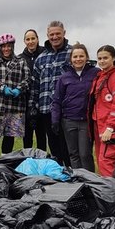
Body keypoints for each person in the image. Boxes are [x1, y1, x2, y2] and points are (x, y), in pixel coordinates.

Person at [51, 43, 99, 170]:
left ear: (87, 57)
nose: (78, 59)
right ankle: (78, 181)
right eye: (75, 56)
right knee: (73, 154)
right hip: (68, 121)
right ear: (71, 59)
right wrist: (55, 120)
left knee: (85, 154)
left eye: (81, 56)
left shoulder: (95, 73)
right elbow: (57, 100)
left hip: (85, 121)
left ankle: (90, 181)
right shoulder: (64, 77)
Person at [30, 21, 72, 165]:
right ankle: (58, 179)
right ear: (47, 35)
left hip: (67, 111)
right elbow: (35, 85)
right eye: (51, 34)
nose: (54, 37)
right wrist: (33, 107)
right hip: (46, 109)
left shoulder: (72, 54)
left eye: (57, 34)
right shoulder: (41, 58)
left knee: (68, 149)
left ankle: (72, 177)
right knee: (54, 149)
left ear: (64, 33)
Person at [0, 34, 30, 155]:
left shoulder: (21, 62)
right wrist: (2, 87)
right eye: (3, 47)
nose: (6, 49)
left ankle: (5, 164)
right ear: (0, 48)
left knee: (9, 139)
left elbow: (28, 78)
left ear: (12, 47)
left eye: (9, 46)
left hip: (14, 106)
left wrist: (19, 89)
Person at [89, 44, 115, 177]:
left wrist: (110, 127)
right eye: (99, 58)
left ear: (113, 58)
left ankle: (112, 194)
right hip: (98, 123)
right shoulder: (101, 76)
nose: (102, 61)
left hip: (109, 126)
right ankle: (107, 190)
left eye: (105, 58)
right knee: (101, 161)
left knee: (107, 161)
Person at [18, 29, 45, 149]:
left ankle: (42, 161)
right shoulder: (20, 58)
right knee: (27, 136)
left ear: (38, 39)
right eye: (28, 39)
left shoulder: (45, 54)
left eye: (33, 38)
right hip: (25, 102)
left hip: (42, 100)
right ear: (24, 41)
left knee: (41, 135)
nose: (30, 41)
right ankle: (27, 162)